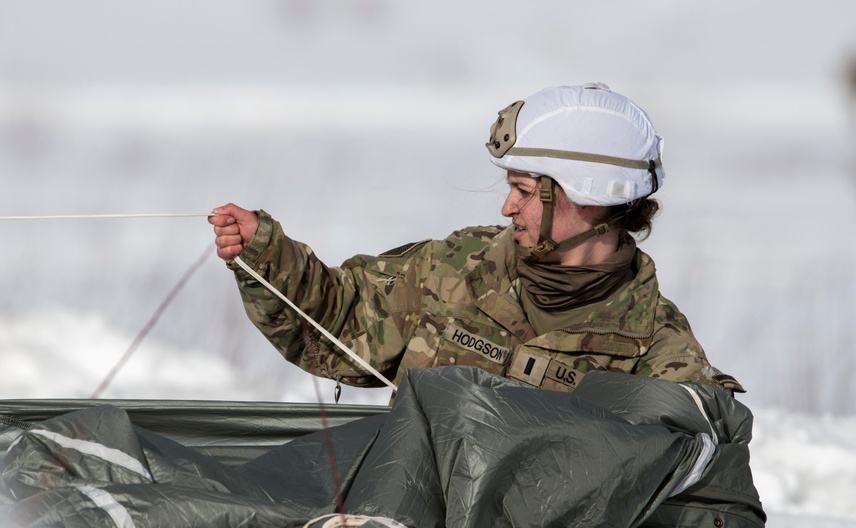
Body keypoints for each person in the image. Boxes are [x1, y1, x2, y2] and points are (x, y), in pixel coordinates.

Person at [208, 82, 743, 397]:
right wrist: (265, 254)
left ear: (589, 198)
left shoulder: (660, 354)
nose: (507, 207)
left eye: (524, 190)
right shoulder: (455, 269)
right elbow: (342, 321)